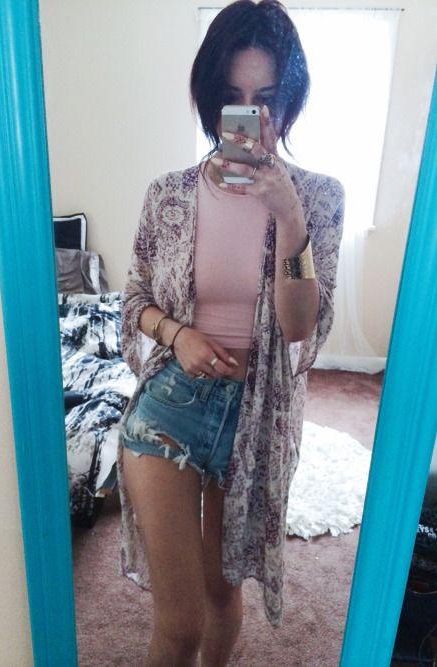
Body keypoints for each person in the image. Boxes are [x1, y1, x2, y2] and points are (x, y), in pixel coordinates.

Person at [116, 1, 346, 665]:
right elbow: (133, 298)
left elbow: (299, 328)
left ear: (290, 101)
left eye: (266, 98)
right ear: (209, 98)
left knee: (223, 595)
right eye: (233, 97)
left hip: (257, 418)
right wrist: (177, 335)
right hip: (172, 406)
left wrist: (289, 216)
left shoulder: (319, 199)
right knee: (180, 622)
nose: (249, 115)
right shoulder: (168, 194)